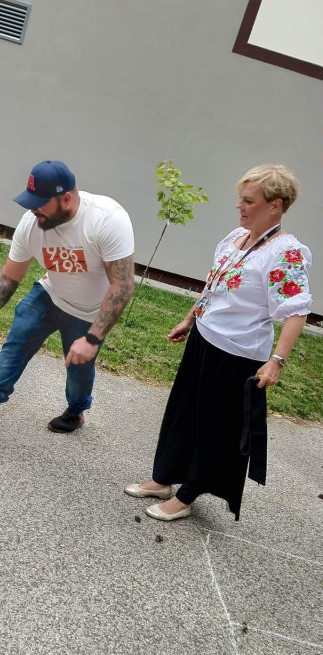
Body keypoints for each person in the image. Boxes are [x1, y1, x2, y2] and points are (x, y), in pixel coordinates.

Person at [125, 164, 312, 521]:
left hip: (237, 354)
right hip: (205, 339)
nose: (239, 207)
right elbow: (214, 285)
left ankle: (188, 494)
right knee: (182, 413)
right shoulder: (235, 237)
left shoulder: (285, 253)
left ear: (275, 204)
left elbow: (297, 310)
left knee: (214, 428)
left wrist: (277, 360)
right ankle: (164, 477)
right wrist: (190, 318)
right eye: (240, 199)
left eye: (248, 201)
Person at [0, 159, 135, 433]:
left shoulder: (107, 220)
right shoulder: (31, 224)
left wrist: (93, 339)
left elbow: (122, 286)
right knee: (19, 334)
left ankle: (76, 410)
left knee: (79, 370)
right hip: (51, 293)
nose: (32, 209)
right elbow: (9, 277)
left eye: (39, 203)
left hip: (90, 310)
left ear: (66, 199)